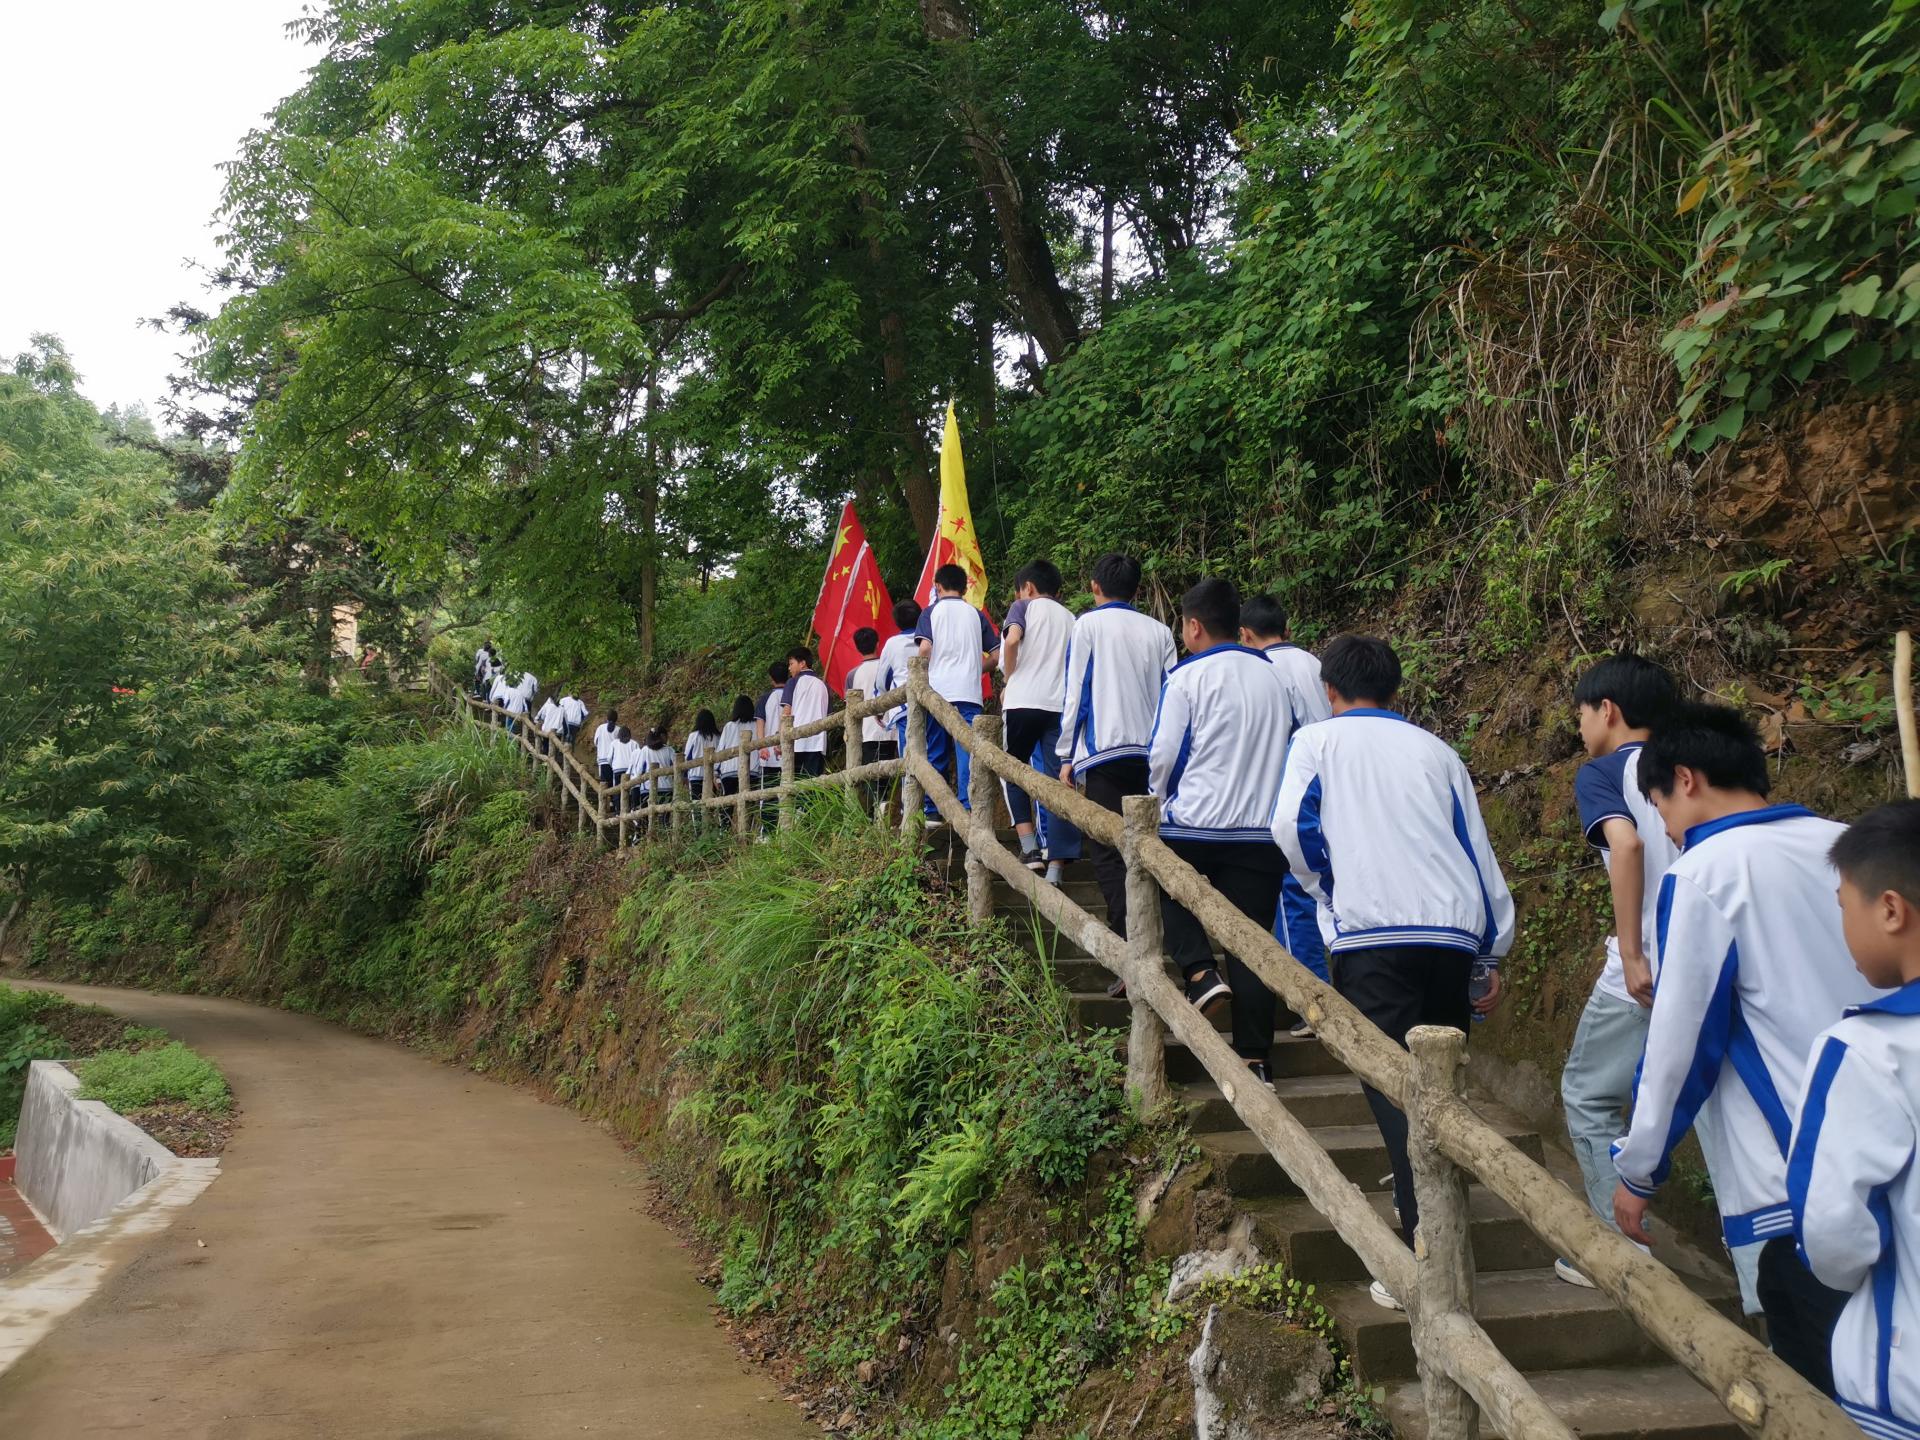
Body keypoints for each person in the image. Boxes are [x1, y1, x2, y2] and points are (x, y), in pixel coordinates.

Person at [1611, 702, 1879, 1389]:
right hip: (1893, 1159)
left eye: (1657, 802)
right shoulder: (1855, 847)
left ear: (1687, 780)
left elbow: (1683, 1041)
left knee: (1818, 1393)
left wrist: (1640, 1168)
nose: (1662, 825)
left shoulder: (1708, 873)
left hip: (1800, 1184)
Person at [1272, 634, 1513, 1311]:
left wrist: (1329, 893)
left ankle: (1426, 1252)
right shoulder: (1439, 752)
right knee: (1439, 1088)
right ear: (1395, 689)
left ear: (1330, 689)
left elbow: (1291, 828)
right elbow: (1477, 849)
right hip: (1452, 933)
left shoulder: (1318, 743)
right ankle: (1439, 1227)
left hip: (1373, 932)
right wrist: (1491, 949)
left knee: (1397, 1090)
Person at [1787, 800, 1920, 1425]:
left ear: (1891, 909)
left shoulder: (1868, 1051)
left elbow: (1832, 1234)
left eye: (1845, 907)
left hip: (1903, 1387)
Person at [1552, 655, 1678, 1290]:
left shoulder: (1604, 771)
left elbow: (1625, 845)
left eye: (1581, 712)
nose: (1578, 725)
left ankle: (1617, 1249)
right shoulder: (1697, 767)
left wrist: (1631, 953)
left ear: (1609, 711)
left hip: (1647, 967)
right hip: (1710, 961)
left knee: (1589, 1092)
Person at [1149, 578, 1293, 1081]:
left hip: (1194, 826)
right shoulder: (1277, 679)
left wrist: (1159, 800)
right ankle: (1255, 1058)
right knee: (1251, 941)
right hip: (1260, 833)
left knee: (1159, 881)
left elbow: (1165, 753)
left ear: (1193, 626)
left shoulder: (1186, 677)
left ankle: (1198, 971)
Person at [1058, 553, 1177, 936]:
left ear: (1094, 587)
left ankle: (1128, 937)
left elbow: (1077, 693)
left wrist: (1065, 754)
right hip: (1151, 752)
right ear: (1137, 589)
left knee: (1108, 848)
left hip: (1103, 751)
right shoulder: (1159, 630)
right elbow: (1173, 693)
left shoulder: (1087, 625)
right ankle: (1159, 933)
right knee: (1149, 845)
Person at [1241, 595, 1332, 995]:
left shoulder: (1260, 670)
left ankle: (1308, 994)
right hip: (1331, 783)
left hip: (1289, 790)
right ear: (1287, 628)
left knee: (1290, 891)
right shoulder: (1316, 664)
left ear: (1244, 634)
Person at [1000, 560, 1081, 885]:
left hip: (1022, 703)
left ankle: (1030, 848)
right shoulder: (1071, 618)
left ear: (1028, 588)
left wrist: (1009, 678)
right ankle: (1057, 866)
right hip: (1059, 705)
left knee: (1012, 770)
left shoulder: (1022, 607)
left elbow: (1010, 641)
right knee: (1058, 782)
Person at [914, 564, 1000, 820]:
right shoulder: (976, 615)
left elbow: (924, 649)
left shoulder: (930, 612)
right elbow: (995, 656)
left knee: (936, 751)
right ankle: (967, 807)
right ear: (964, 588)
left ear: (937, 586)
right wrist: (974, 668)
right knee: (967, 753)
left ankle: (933, 811)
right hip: (969, 694)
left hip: (937, 693)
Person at [782, 647, 832, 779]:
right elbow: (829, 715)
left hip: (797, 742)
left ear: (802, 663)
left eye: (791, 663)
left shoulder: (793, 682)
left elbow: (786, 712)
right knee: (814, 785)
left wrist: (780, 738)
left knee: (796, 784)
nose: (789, 668)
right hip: (818, 742)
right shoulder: (823, 685)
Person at [717, 695, 755, 802]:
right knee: (750, 802)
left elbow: (721, 750)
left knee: (727, 802)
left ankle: (726, 819)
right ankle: (748, 819)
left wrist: (716, 772)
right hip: (752, 770)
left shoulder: (729, 726)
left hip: (729, 770)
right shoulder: (756, 725)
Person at [686, 709, 721, 804]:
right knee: (711, 805)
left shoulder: (694, 736)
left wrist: (685, 774)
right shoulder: (717, 737)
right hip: (712, 776)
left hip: (696, 775)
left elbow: (687, 757)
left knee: (696, 804)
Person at [638, 727, 677, 808]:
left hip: (647, 788)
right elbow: (677, 767)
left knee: (647, 815)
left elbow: (639, 769)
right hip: (666, 787)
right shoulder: (669, 750)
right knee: (664, 816)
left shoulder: (645, 750)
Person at [609, 723, 638, 820]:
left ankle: (618, 811)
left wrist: (612, 765)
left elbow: (609, 758)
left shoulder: (614, 743)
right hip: (630, 770)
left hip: (617, 769)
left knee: (617, 789)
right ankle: (630, 809)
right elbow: (638, 756)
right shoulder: (634, 744)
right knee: (630, 789)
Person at [593, 709, 621, 788]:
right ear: (616, 719)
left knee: (604, 784)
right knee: (613, 784)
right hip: (614, 761)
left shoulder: (600, 728)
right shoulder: (618, 730)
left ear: (607, 718)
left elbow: (596, 742)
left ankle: (604, 800)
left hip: (602, 760)